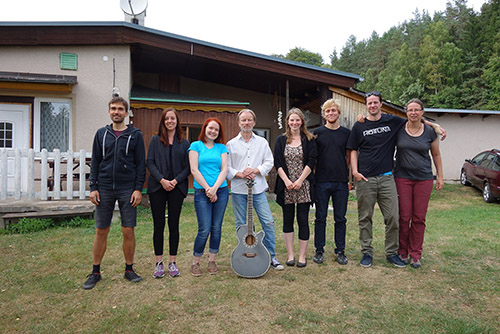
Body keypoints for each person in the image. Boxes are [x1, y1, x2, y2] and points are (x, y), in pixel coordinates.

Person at [347, 91, 445, 268]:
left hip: (387, 178)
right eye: (369, 103)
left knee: (393, 217)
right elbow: (353, 149)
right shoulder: (359, 126)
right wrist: (354, 171)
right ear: (366, 105)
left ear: (381, 104)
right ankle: (367, 252)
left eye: (375, 102)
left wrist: (435, 126)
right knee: (365, 218)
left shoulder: (392, 121)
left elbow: (415, 119)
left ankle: (392, 253)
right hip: (365, 178)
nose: (372, 106)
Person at [83, 97, 146, 290]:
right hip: (104, 187)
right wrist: (93, 187)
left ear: (126, 113)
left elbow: (140, 164)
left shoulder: (135, 135)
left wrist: (137, 188)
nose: (116, 112)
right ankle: (95, 272)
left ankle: (129, 269)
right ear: (109, 111)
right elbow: (95, 161)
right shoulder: (102, 134)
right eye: (113, 108)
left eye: (120, 109)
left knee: (128, 229)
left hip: (127, 188)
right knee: (102, 230)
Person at [227, 109, 284, 271]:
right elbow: (227, 167)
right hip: (239, 189)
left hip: (257, 189)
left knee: (267, 221)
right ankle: (243, 253)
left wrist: (256, 171)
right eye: (243, 120)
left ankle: (271, 255)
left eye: (249, 120)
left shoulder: (262, 142)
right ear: (239, 123)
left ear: (254, 122)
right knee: (241, 224)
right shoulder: (231, 144)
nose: (246, 123)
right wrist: (240, 173)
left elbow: (269, 161)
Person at [394, 98, 443, 269]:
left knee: (419, 218)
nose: (413, 113)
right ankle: (402, 251)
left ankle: (415, 254)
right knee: (404, 216)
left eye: (417, 110)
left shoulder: (429, 132)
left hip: (424, 178)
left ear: (422, 112)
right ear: (406, 112)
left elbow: (436, 155)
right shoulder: (399, 128)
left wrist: (440, 176)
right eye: (410, 110)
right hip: (402, 178)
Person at [147, 108, 190, 278]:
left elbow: (188, 167)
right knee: (158, 225)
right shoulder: (155, 140)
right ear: (163, 121)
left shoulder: (184, 143)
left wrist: (175, 181)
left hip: (177, 189)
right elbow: (150, 162)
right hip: (157, 187)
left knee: (174, 224)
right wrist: (162, 180)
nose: (170, 121)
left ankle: (172, 262)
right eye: (167, 118)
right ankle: (159, 262)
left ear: (177, 121)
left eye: (173, 118)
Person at [274, 108, 317, 268]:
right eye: (292, 120)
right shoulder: (280, 140)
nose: (294, 123)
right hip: (286, 186)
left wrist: (299, 180)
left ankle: (302, 256)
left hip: (304, 184)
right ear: (287, 122)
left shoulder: (309, 139)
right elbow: (277, 162)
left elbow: (311, 161)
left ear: (302, 122)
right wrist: (286, 181)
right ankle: (290, 254)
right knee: (288, 220)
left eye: (297, 120)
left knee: (303, 220)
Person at [188, 117, 229, 276]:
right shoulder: (195, 146)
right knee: (204, 228)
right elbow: (194, 170)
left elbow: (224, 170)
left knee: (216, 228)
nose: (213, 131)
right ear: (204, 128)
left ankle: (212, 260)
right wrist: (208, 189)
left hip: (222, 191)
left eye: (216, 130)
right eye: (210, 128)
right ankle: (196, 262)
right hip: (202, 193)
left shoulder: (222, 148)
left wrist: (215, 189)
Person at [313, 99, 351, 265]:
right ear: (324, 114)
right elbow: (313, 158)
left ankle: (340, 250)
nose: (331, 113)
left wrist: (346, 174)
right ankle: (319, 250)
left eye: (333, 111)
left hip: (341, 182)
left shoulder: (346, 133)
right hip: (321, 181)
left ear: (338, 112)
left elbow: (349, 157)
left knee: (340, 218)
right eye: (328, 111)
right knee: (320, 217)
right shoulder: (317, 133)